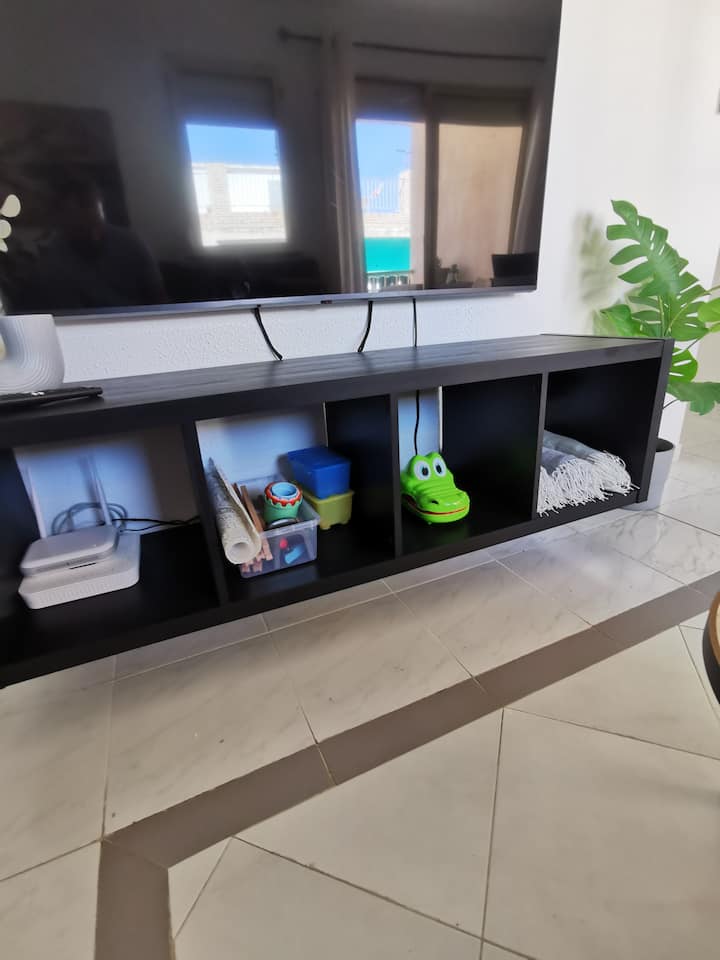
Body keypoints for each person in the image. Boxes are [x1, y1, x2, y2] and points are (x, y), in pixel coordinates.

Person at [22, 178, 166, 311]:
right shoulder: (52, 266)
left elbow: (159, 298)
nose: (93, 234)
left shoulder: (131, 243)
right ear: (62, 220)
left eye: (96, 222)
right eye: (81, 225)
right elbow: (69, 319)